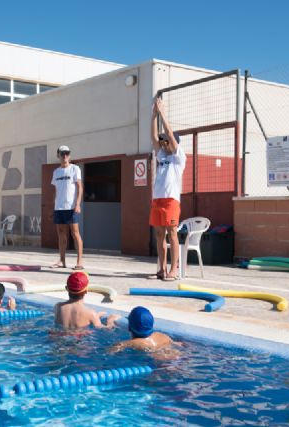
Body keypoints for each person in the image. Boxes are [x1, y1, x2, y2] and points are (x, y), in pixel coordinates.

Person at [149, 96, 186, 281]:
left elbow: (170, 135)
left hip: (171, 199)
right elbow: (154, 137)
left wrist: (163, 113)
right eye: (162, 143)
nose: (163, 144)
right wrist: (153, 115)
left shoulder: (179, 157)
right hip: (157, 199)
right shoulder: (162, 155)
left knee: (172, 233)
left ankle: (174, 269)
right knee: (159, 234)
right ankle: (162, 269)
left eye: (167, 142)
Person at [50, 145, 84, 271]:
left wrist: (78, 204)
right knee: (61, 234)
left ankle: (79, 261)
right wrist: (53, 206)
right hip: (59, 208)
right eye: (63, 154)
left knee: (75, 234)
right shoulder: (56, 172)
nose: (65, 156)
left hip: (71, 207)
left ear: (69, 155)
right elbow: (55, 191)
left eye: (67, 154)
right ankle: (62, 260)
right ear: (58, 155)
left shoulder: (75, 169)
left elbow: (80, 187)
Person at [54, 272, 119, 329]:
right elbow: (105, 329)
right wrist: (110, 320)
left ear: (66, 288)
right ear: (86, 291)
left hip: (58, 339)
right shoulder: (90, 314)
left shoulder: (57, 307)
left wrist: (96, 316)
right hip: (79, 341)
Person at [111, 306, 177, 354]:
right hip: (178, 357)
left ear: (129, 327)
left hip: (162, 364)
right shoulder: (163, 336)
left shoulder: (129, 343)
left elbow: (110, 352)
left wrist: (110, 324)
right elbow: (178, 344)